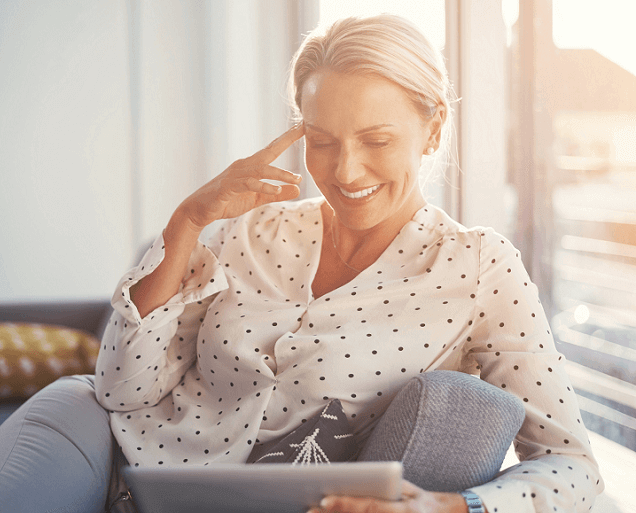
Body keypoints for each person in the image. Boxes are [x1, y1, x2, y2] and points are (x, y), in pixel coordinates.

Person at [94, 14, 603, 513]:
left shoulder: (478, 267)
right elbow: (123, 388)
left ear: (432, 130)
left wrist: (453, 507)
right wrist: (186, 222)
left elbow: (571, 464)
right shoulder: (247, 233)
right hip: (130, 488)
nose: (344, 170)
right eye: (321, 142)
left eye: (376, 141)